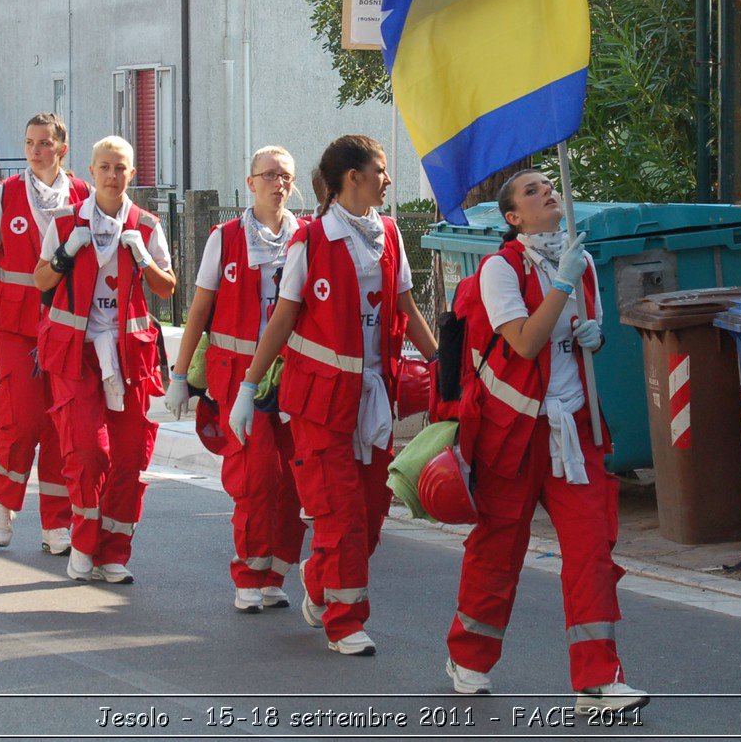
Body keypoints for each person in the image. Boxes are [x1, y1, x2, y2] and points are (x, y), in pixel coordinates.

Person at [442, 169, 648, 712]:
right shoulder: (499, 269)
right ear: (513, 217)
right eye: (532, 190)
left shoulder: (579, 261)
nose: (547, 190)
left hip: (575, 430)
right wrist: (561, 285)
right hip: (511, 432)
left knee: (592, 550)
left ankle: (598, 680)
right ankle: (469, 657)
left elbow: (587, 339)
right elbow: (527, 343)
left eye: (548, 185)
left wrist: (594, 336)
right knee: (498, 550)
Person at [235, 134, 438, 656]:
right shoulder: (311, 241)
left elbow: (405, 309)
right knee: (340, 515)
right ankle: (345, 623)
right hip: (319, 404)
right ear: (353, 177)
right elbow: (282, 318)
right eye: (381, 170)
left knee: (370, 517)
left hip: (374, 399)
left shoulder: (389, 233)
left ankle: (319, 577)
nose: (387, 180)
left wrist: (443, 364)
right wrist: (249, 386)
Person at [169, 145, 306, 613]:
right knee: (252, 476)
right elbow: (199, 310)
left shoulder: (306, 238)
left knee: (292, 478)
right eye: (268, 175)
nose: (278, 183)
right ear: (250, 183)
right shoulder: (225, 238)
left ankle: (276, 571)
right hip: (235, 377)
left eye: (285, 175)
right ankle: (248, 572)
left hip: (290, 375)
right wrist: (180, 375)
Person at [34, 136, 175, 584]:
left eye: (122, 168)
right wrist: (66, 252)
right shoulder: (63, 222)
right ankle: (84, 538)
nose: (114, 176)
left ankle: (114, 551)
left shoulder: (147, 225)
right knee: (88, 451)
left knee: (130, 454)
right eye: (106, 167)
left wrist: (142, 257)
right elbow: (40, 281)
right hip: (75, 353)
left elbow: (167, 288)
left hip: (130, 356)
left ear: (133, 174)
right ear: (90, 172)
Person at [0, 114, 91, 556]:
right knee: (20, 419)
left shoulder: (83, 195)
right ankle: (3, 502)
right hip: (15, 323)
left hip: (65, 322)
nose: (35, 150)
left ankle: (56, 523)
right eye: (29, 143)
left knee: (63, 422)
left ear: (62, 148)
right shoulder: (4, 194)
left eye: (43, 143)